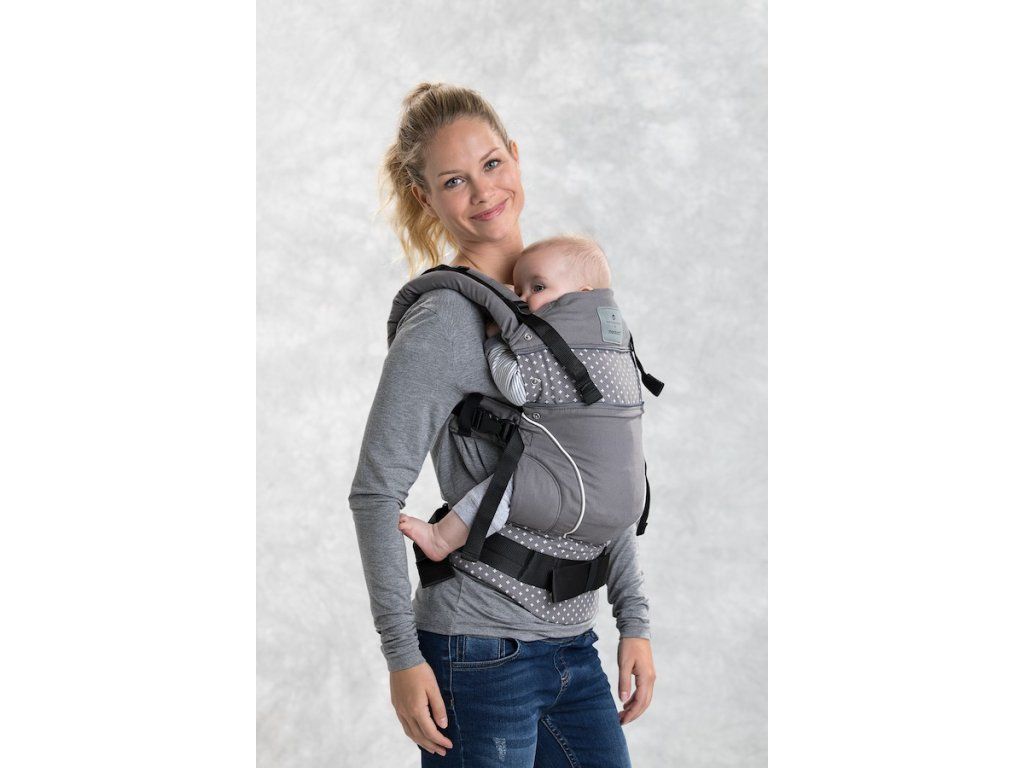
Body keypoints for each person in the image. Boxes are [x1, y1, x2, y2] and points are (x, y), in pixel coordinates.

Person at [350, 82, 656, 767]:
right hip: (479, 652)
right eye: (454, 180)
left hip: (575, 647)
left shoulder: (573, 296)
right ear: (427, 197)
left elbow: (604, 468)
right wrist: (402, 657)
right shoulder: (444, 320)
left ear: (516, 157)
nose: (484, 190)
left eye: (491, 164)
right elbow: (375, 492)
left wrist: (633, 620)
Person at [397, 234, 621, 562]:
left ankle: (441, 539)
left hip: (566, 474)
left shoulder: (566, 347)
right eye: (519, 291)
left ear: (581, 297)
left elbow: (517, 388)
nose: (524, 300)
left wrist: (495, 342)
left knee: (505, 489)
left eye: (538, 288)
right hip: (608, 485)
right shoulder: (608, 346)